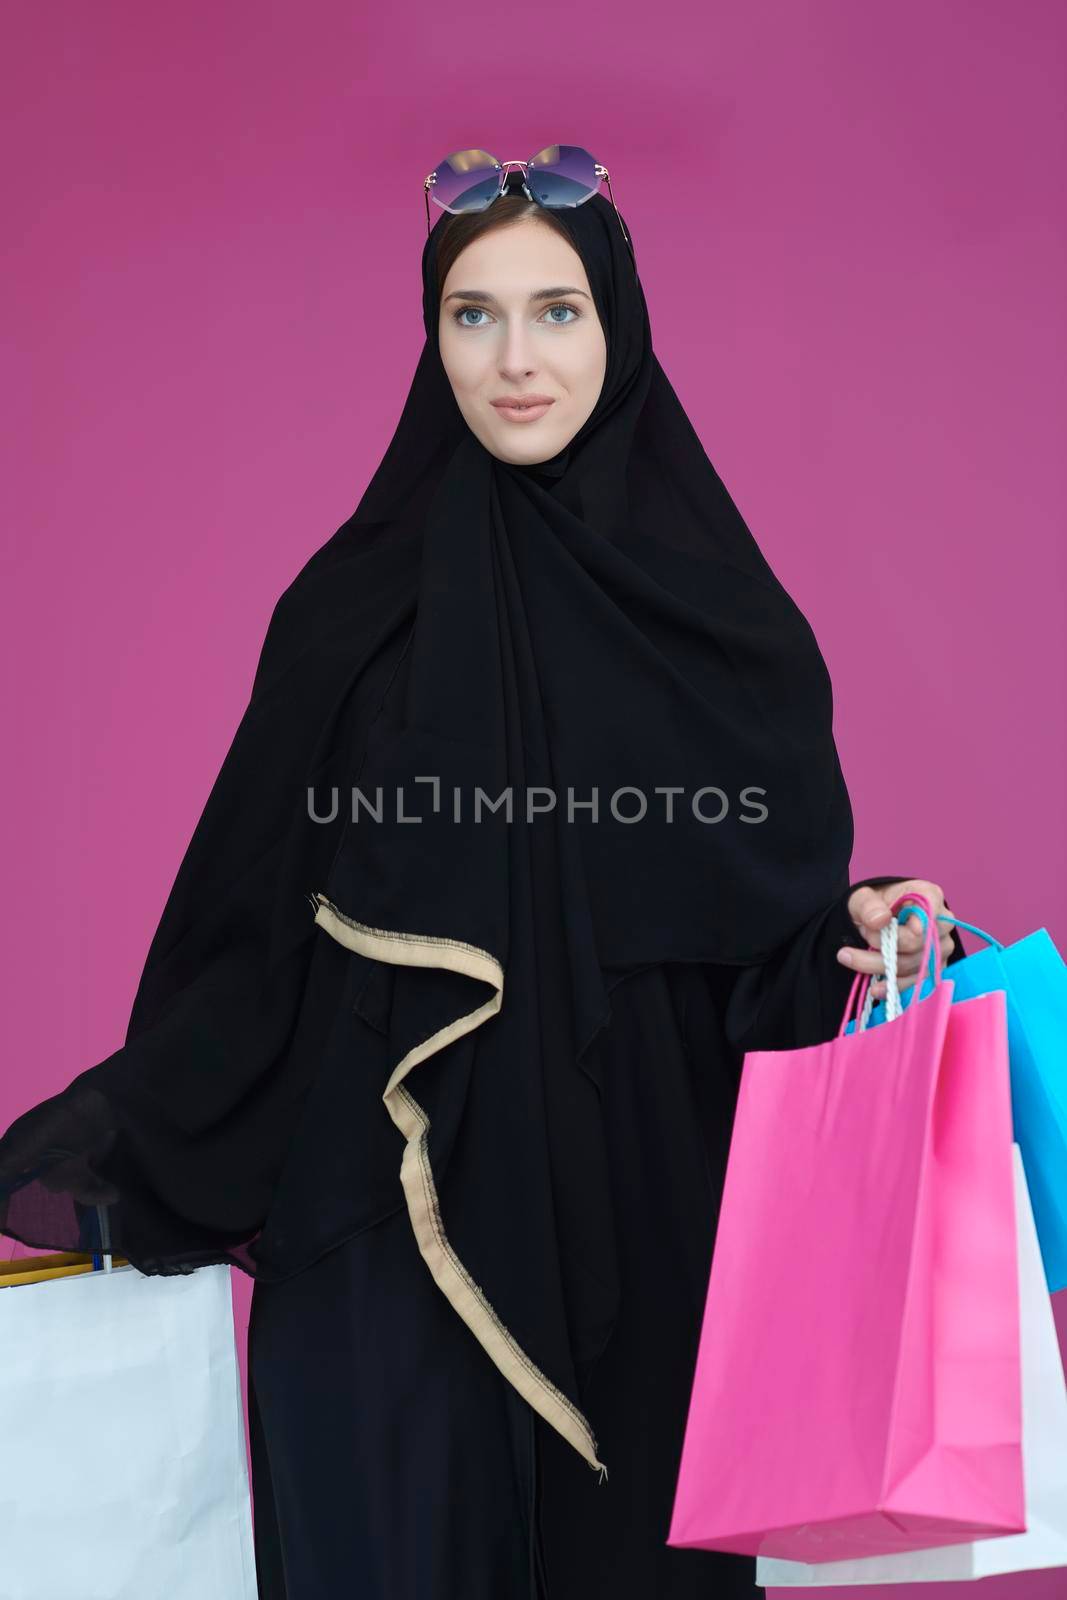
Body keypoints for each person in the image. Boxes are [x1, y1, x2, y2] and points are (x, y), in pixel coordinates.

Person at [0, 157, 964, 1598]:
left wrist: (851, 924)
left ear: (619, 326)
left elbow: (752, 927)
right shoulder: (349, 610)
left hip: (646, 1236)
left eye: (557, 311)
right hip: (384, 1227)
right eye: (472, 315)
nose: (515, 360)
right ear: (431, 335)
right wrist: (121, 1146)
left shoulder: (724, 625)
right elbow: (249, 938)